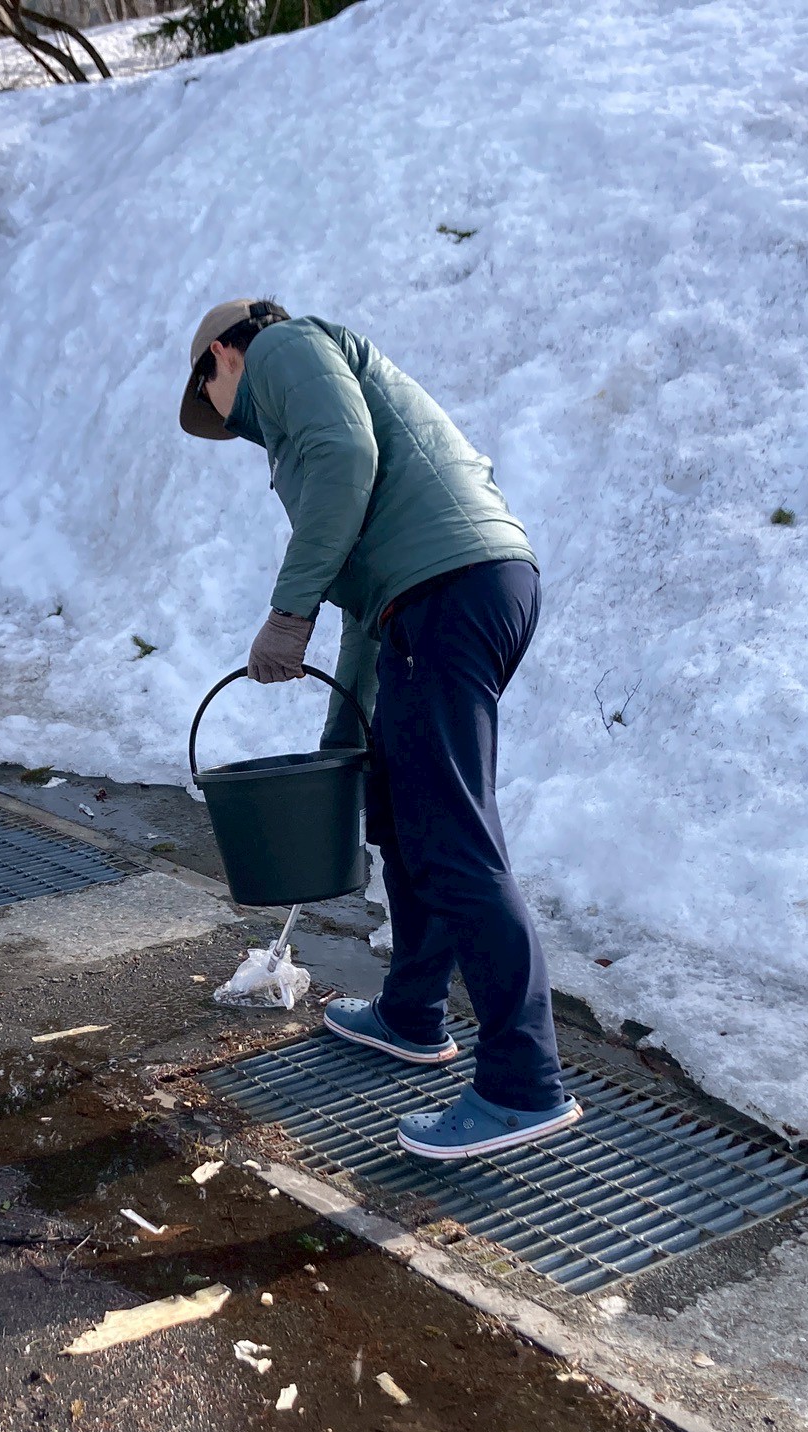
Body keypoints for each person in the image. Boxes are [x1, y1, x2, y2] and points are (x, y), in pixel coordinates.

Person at [179, 298, 579, 1160]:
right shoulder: (310, 410)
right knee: (405, 817)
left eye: (205, 392)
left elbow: (346, 457)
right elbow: (368, 605)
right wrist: (345, 736)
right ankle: (411, 1014)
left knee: (456, 841)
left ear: (222, 355)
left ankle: (524, 1084)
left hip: (453, 592)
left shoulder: (284, 348)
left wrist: (287, 614)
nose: (222, 421)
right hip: (438, 596)